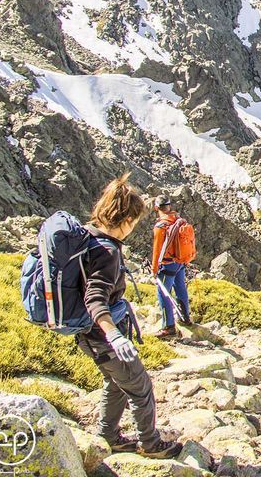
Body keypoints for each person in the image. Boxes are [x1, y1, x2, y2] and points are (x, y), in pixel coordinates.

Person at [77, 174, 182, 459]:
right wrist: (113, 334)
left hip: (88, 337)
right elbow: (95, 298)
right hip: (103, 337)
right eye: (133, 222)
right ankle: (151, 444)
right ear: (124, 219)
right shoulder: (107, 251)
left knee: (116, 382)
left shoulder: (88, 236)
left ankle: (108, 435)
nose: (133, 228)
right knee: (141, 386)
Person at [151, 195, 191, 338]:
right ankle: (185, 317)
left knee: (163, 293)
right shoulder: (178, 220)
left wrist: (154, 268)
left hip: (167, 264)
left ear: (156, 207)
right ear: (169, 206)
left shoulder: (161, 226)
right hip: (180, 261)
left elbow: (157, 250)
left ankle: (168, 326)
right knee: (180, 286)